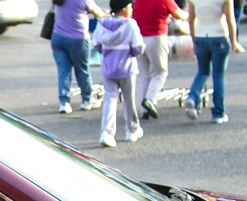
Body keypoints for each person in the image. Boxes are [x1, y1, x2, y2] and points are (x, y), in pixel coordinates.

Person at [94, 0, 146, 147]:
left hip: (108, 68)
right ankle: (132, 129)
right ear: (124, 9)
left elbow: (97, 45)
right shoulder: (130, 25)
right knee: (129, 99)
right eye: (129, 6)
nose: (131, 8)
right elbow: (138, 48)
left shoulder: (102, 24)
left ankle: (107, 132)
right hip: (127, 68)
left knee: (110, 99)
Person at [183, 0, 244, 123]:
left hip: (201, 36)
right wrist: (234, 42)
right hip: (219, 36)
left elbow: (190, 20)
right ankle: (218, 113)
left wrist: (194, 39)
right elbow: (230, 19)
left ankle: (193, 96)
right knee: (218, 76)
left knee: (202, 72)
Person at [133, 0, 188, 119]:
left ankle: (144, 110)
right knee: (160, 72)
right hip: (157, 37)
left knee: (142, 75)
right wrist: (189, 14)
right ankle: (150, 99)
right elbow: (180, 15)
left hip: (139, 38)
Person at [52, 0, 108, 114]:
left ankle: (64, 102)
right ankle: (86, 100)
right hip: (78, 39)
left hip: (57, 37)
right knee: (82, 70)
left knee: (63, 71)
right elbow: (99, 14)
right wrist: (105, 12)